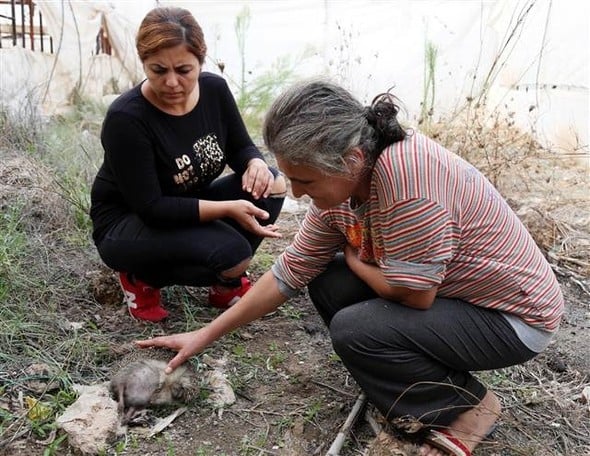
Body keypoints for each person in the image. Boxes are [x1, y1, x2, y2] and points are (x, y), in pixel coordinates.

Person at [137, 80, 564, 456]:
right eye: (292, 179)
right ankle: (409, 381)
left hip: (511, 317)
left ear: (352, 158)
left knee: (354, 328)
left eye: (305, 182)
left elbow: (416, 296)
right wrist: (205, 335)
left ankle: (468, 407)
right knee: (327, 279)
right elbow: (289, 273)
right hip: (457, 297)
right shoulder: (343, 187)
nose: (299, 195)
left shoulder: (407, 184)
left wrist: (358, 261)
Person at [90, 6, 286, 322]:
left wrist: (255, 163)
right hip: (130, 223)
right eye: (158, 70)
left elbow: (240, 146)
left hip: (184, 205)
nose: (171, 82)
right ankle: (141, 277)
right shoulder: (126, 119)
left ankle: (225, 287)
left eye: (183, 70)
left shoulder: (214, 90)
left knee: (273, 184)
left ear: (200, 60)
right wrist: (227, 208)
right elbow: (152, 207)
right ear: (143, 64)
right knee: (234, 255)